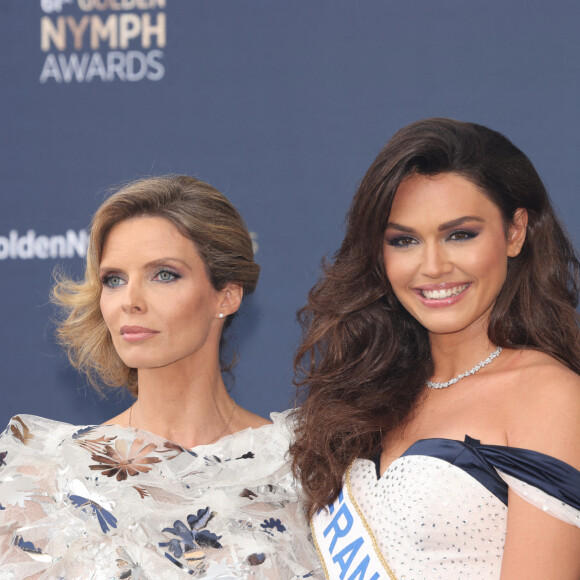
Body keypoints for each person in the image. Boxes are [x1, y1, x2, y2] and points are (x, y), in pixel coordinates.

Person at [290, 119, 580, 579]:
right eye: (403, 240)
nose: (432, 266)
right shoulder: (362, 392)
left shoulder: (547, 395)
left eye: (459, 235)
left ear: (515, 232)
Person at [0, 175, 321, 578]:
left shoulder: (303, 467)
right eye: (114, 280)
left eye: (164, 274)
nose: (129, 301)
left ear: (226, 295)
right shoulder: (46, 476)